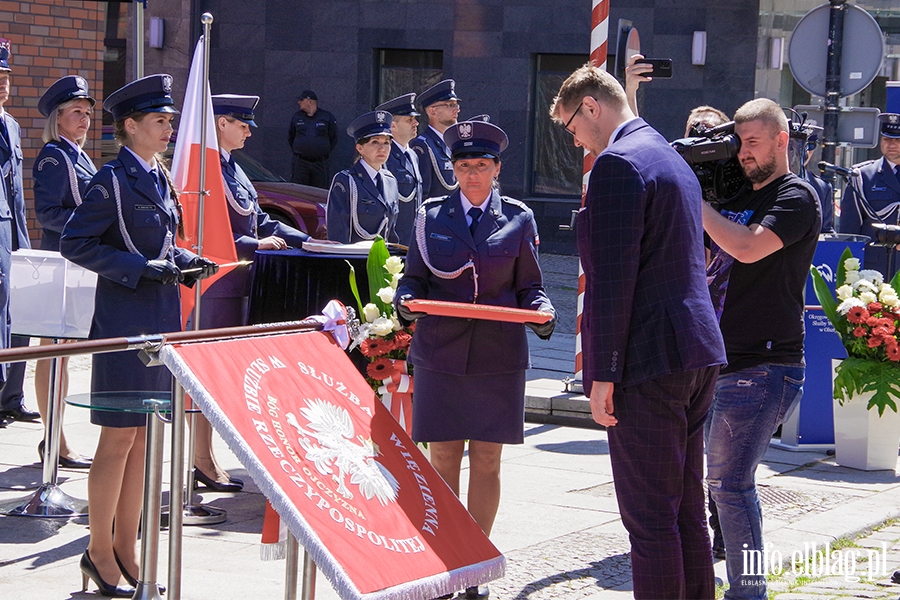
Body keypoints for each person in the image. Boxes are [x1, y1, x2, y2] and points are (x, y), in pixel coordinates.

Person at [550, 64, 726, 599]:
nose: (574, 138)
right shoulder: (668, 155)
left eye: (570, 126)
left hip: (649, 358)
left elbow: (611, 279)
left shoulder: (617, 165)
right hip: (694, 348)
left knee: (651, 522)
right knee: (686, 513)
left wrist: (600, 373)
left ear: (591, 107)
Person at [60, 74, 218, 597]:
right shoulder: (112, 180)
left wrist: (183, 261)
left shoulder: (157, 176)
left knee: (146, 439)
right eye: (160, 120)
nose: (169, 127)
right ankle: (98, 551)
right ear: (131, 126)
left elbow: (163, 242)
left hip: (158, 319)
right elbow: (76, 243)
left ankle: (125, 549)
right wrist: (139, 267)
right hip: (124, 322)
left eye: (170, 120)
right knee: (118, 439)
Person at [395, 120, 555, 599]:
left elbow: (531, 285)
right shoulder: (430, 216)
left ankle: (476, 559)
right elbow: (414, 280)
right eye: (463, 166)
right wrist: (405, 301)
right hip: (441, 351)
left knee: (486, 458)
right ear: (453, 168)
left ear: (496, 168)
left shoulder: (518, 218)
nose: (472, 175)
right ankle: (447, 556)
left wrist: (543, 310)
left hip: (497, 355)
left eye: (481, 166)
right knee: (442, 456)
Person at [701, 98, 820, 599]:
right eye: (739, 142)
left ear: (781, 139)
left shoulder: (796, 197)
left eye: (753, 142)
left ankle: (748, 593)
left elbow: (748, 248)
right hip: (715, 359)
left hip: (764, 366)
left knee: (731, 486)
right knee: (716, 486)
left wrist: (695, 203)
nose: (744, 153)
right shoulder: (737, 192)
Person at [188, 93, 311, 492]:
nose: (248, 131)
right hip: (214, 285)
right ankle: (200, 460)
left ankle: (206, 456)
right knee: (205, 376)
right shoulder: (204, 171)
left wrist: (305, 241)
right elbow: (204, 233)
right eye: (241, 124)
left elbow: (259, 220)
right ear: (219, 124)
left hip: (240, 283)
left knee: (221, 377)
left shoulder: (233, 169)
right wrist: (254, 246)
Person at [26, 75, 98, 467]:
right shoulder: (55, 156)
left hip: (78, 265)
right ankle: (53, 440)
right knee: (53, 353)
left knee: (64, 355)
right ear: (58, 117)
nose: (85, 119)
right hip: (62, 263)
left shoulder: (78, 155)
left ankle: (58, 439)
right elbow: (49, 215)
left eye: (87, 112)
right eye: (76, 112)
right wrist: (94, 224)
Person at [0, 41, 38, 428]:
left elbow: (16, 193)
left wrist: (24, 244)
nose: (2, 84)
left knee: (20, 317)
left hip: (12, 234)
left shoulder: (10, 124)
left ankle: (11, 397)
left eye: (6, 77)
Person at [837, 113, 900, 276]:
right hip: (874, 269)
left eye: (897, 140)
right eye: (887, 139)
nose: (891, 144)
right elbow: (849, 231)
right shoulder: (862, 176)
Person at [325, 110, 399, 244]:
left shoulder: (391, 181)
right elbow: (338, 233)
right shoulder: (345, 181)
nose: (382, 148)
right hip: (355, 259)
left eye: (387, 142)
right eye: (375, 142)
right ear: (360, 148)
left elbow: (391, 232)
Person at [375, 93, 422, 246]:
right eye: (409, 120)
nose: (416, 123)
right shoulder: (384, 156)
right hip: (394, 242)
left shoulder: (413, 155)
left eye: (415, 119)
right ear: (393, 126)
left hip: (413, 240)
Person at [410, 79, 460, 200]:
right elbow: (423, 195)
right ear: (433, 111)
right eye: (450, 105)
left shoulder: (453, 144)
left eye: (456, 104)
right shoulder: (423, 146)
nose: (457, 109)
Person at [287, 89, 337, 188]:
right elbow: (291, 136)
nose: (299, 102)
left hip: (320, 162)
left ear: (310, 101)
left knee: (319, 192)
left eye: (301, 100)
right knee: (299, 191)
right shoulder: (296, 117)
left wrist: (320, 150)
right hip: (301, 162)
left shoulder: (326, 117)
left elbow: (333, 137)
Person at [803, 131, 835, 233]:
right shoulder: (761, 180)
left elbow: (825, 232)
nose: (806, 152)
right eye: (794, 145)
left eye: (811, 145)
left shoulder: (822, 187)